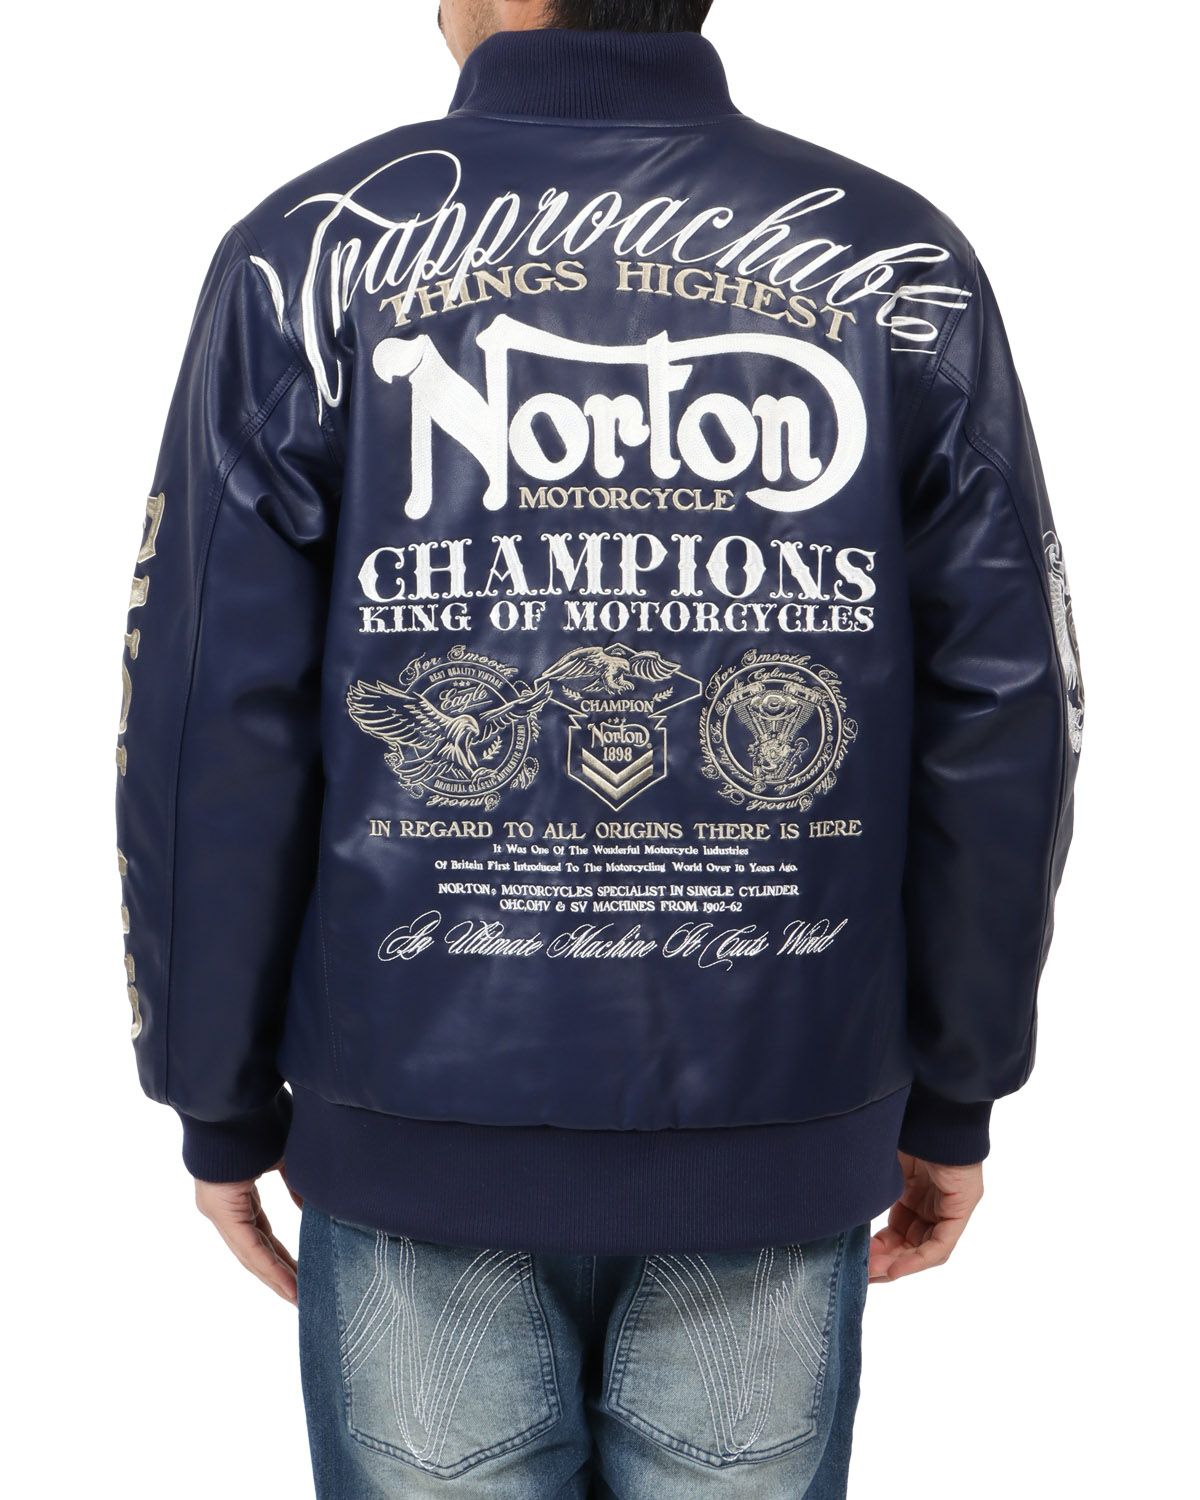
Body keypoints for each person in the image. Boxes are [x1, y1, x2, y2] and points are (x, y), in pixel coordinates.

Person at [115, 1, 1082, 1494]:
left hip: (410, 1119)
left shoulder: (310, 259)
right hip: (780, 1112)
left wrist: (216, 1093)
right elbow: (1006, 706)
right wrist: (959, 1082)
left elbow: (207, 714)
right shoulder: (896, 263)